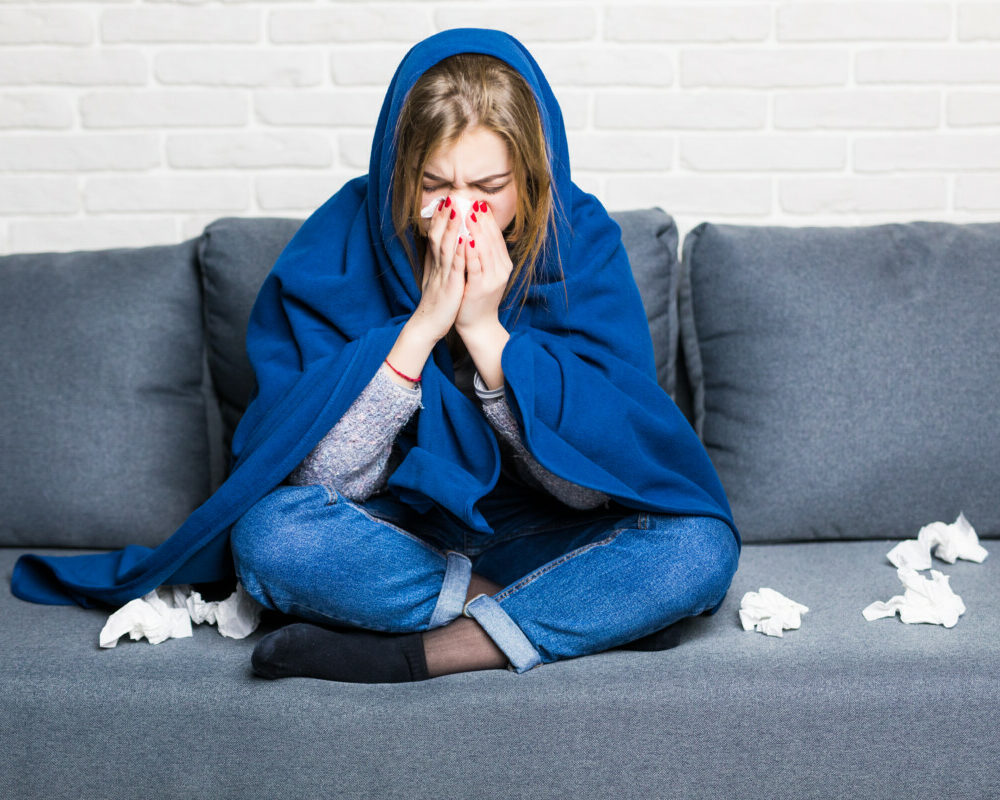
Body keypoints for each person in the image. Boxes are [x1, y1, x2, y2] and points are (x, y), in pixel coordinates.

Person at [11, 27, 741, 685]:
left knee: (700, 551)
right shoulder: (339, 242)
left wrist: (488, 335)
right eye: (436, 187)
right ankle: (556, 614)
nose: (464, 214)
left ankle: (427, 652)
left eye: (489, 189)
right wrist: (422, 327)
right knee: (270, 539)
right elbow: (318, 477)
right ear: (400, 176)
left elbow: (589, 488)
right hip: (401, 537)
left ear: (531, 179)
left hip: (548, 529)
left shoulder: (579, 240)